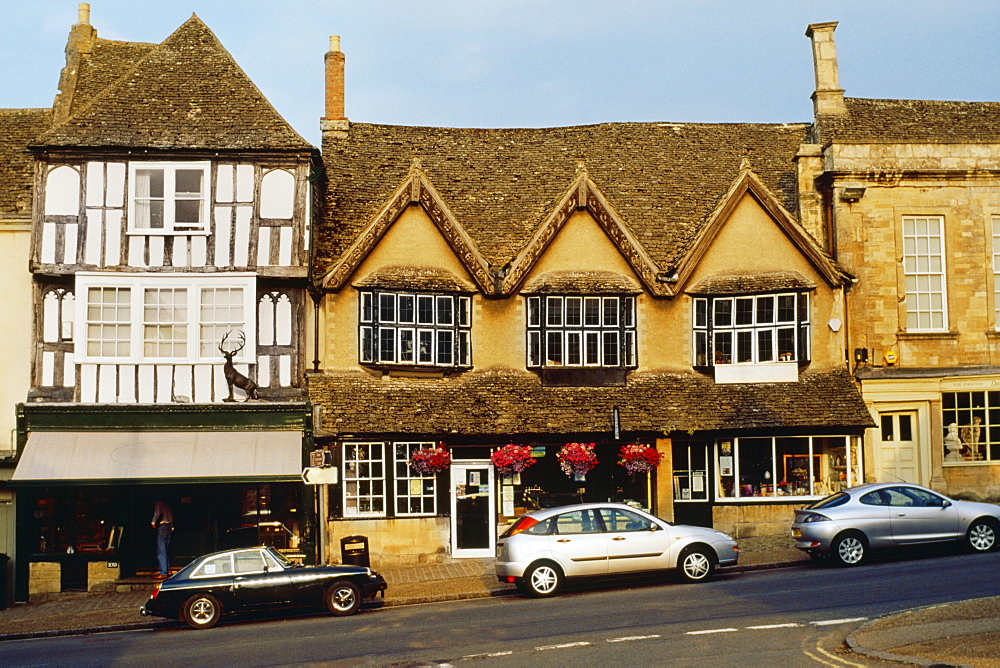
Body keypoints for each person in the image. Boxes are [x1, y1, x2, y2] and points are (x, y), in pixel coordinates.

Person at [150, 500, 174, 578]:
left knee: (161, 550)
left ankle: (163, 572)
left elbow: (157, 513)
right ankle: (168, 570)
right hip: (169, 526)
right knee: (165, 550)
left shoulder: (159, 503)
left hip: (162, 526)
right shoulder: (167, 504)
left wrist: (153, 522)